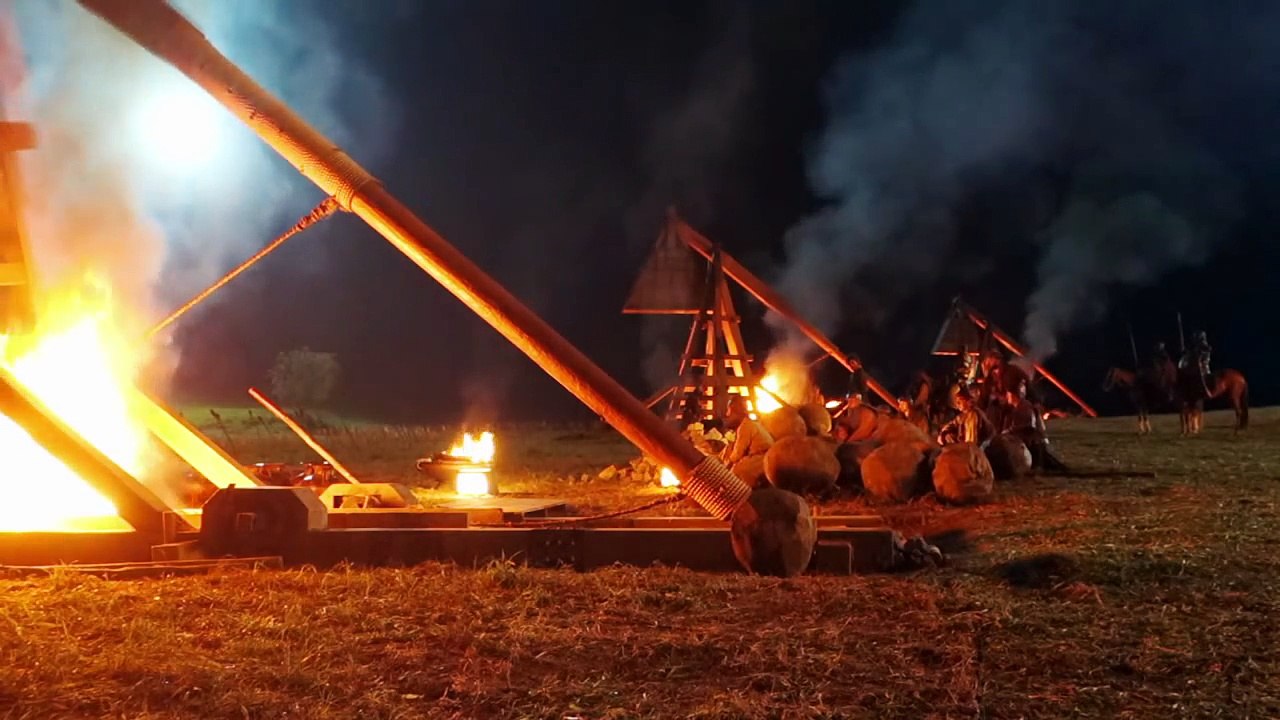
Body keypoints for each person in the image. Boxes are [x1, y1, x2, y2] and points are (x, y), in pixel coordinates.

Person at [722, 395, 772, 465]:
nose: (728, 416)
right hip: (764, 457)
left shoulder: (745, 426)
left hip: (761, 460)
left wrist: (726, 465)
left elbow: (738, 453)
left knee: (736, 471)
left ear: (736, 413)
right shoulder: (749, 423)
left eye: (730, 414)